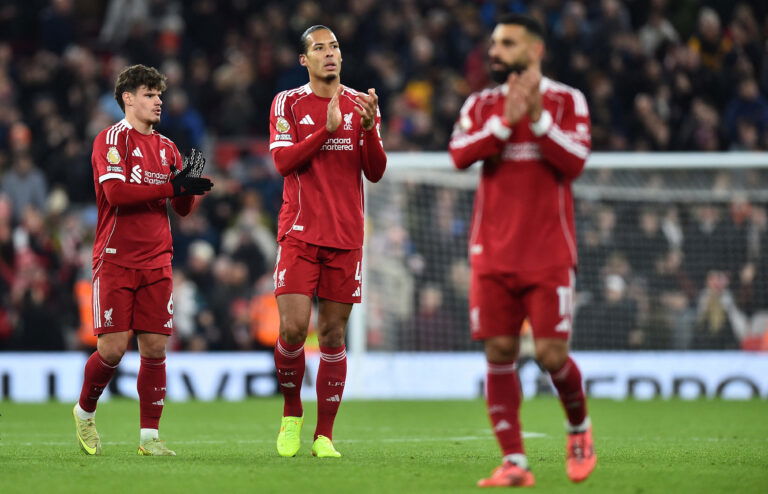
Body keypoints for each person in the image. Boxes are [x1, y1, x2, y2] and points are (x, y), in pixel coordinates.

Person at [449, 14, 596, 487]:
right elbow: (459, 154)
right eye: (494, 43)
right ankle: (515, 462)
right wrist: (505, 125)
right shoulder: (480, 104)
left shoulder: (567, 100)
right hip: (491, 252)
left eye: (507, 43)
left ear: (535, 51)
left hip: (548, 253)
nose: (496, 51)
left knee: (552, 354)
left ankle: (579, 430)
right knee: (499, 350)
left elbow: (573, 162)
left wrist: (536, 119)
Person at [72, 64, 213, 456]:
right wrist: (172, 186)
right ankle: (84, 412)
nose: (158, 101)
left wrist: (187, 184)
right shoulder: (110, 140)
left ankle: (149, 439)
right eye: (150, 94)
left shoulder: (167, 147)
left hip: (157, 260)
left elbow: (181, 209)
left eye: (160, 95)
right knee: (113, 350)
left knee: (154, 349)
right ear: (128, 98)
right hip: (116, 258)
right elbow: (116, 195)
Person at [268, 25, 386, 458]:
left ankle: (324, 436)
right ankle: (292, 413)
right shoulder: (288, 102)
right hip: (299, 233)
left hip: (346, 237)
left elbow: (374, 172)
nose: (330, 54)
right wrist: (324, 132)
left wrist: (370, 129)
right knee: (293, 328)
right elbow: (282, 161)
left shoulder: (360, 104)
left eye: (334, 46)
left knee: (333, 336)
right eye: (319, 48)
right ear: (305, 60)